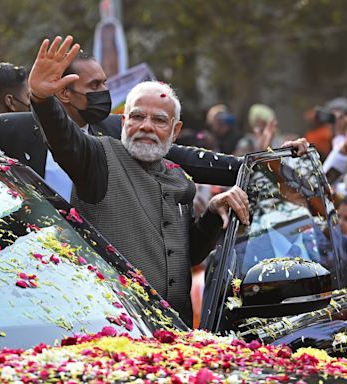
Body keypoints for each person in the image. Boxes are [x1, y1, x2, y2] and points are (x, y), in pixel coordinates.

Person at [27, 35, 251, 325]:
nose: (146, 127)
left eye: (159, 120)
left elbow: (185, 256)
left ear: (176, 130)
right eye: (137, 117)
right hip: (113, 335)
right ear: (123, 123)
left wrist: (212, 212)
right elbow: (64, 139)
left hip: (177, 337)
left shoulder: (179, 179)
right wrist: (42, 99)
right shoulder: (98, 158)